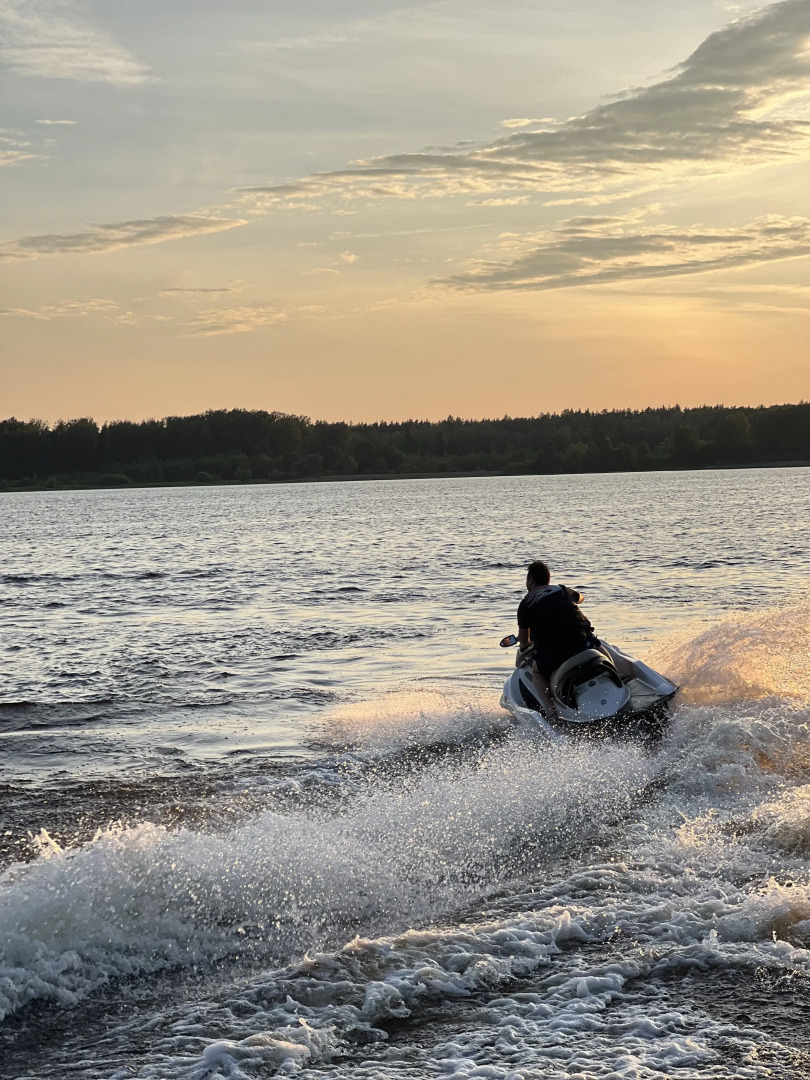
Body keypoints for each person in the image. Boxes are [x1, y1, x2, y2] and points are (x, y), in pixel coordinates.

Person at [516, 560, 600, 720]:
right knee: (598, 645)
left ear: (531, 581)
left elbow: (524, 640)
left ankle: (550, 711)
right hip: (582, 644)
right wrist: (577, 599)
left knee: (536, 671)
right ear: (548, 578)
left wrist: (524, 647)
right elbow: (580, 598)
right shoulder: (561, 590)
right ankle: (623, 679)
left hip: (554, 654)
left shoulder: (526, 604)